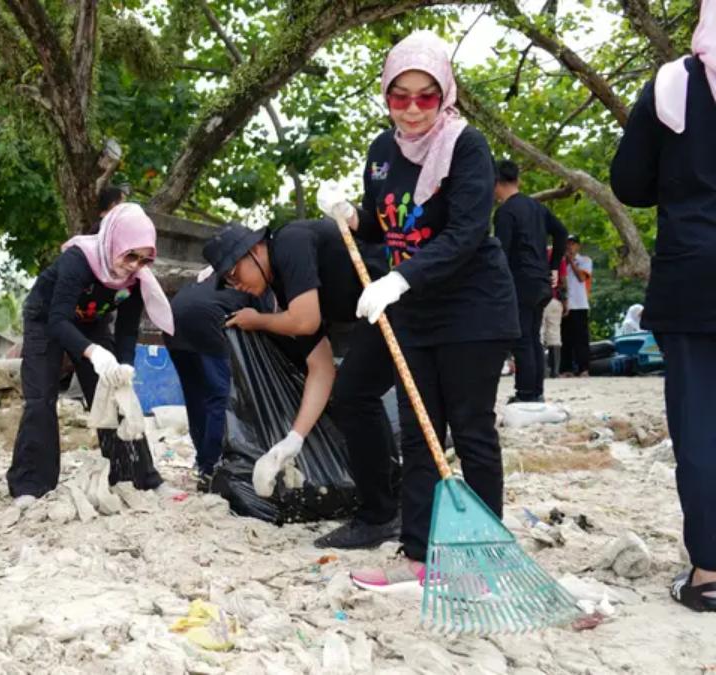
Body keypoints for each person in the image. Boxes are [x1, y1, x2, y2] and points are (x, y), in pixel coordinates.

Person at [318, 32, 518, 589]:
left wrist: (401, 276)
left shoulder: (465, 145)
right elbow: (390, 232)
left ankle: (484, 558)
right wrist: (353, 217)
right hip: (411, 307)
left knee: (470, 430)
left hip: (472, 304)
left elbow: (466, 233)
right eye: (398, 96)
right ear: (385, 95)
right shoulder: (382, 152)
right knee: (417, 432)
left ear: (444, 95)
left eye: (424, 96)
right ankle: (418, 555)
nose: (410, 109)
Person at [610, 0, 716, 612]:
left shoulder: (674, 83)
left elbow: (629, 183)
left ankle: (709, 572)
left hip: (694, 275)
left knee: (702, 428)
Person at [204, 218, 400, 548]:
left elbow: (306, 322)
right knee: (352, 395)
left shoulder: (290, 242)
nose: (236, 285)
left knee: (357, 396)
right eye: (227, 282)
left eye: (235, 274)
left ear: (255, 250)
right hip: (375, 315)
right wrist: (292, 440)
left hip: (398, 299)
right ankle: (386, 504)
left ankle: (382, 512)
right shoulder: (280, 287)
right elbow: (321, 367)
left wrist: (260, 321)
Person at [7, 203, 172, 504]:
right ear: (114, 244)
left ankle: (138, 477)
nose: (135, 265)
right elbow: (58, 320)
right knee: (41, 398)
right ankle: (31, 485)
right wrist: (93, 353)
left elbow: (126, 330)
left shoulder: (138, 279)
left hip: (91, 321)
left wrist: (124, 368)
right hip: (47, 318)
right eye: (130, 255)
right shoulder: (78, 260)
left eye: (145, 259)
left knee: (114, 394)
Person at [163, 275, 253, 491]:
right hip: (204, 324)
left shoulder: (209, 278)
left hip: (172, 321)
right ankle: (212, 465)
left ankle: (203, 466)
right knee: (218, 397)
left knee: (195, 397)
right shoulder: (257, 284)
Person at [493, 159, 568, 402]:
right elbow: (561, 232)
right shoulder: (537, 207)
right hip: (541, 280)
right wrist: (554, 264)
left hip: (519, 280)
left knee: (522, 338)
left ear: (496, 183)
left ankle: (526, 392)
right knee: (533, 336)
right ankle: (536, 391)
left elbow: (501, 252)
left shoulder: (505, 212)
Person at [559, 234, 593, 377]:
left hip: (580, 304)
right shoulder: (560, 262)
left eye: (572, 244)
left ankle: (583, 368)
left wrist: (571, 262)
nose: (569, 247)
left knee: (581, 338)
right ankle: (566, 369)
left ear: (578, 246)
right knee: (565, 338)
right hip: (565, 305)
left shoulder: (585, 260)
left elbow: (581, 277)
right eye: (567, 244)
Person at [542, 293, 564, 378]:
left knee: (539, 334)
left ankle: (542, 370)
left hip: (538, 298)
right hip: (554, 300)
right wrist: (565, 301)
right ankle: (555, 371)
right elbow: (563, 286)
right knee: (554, 335)